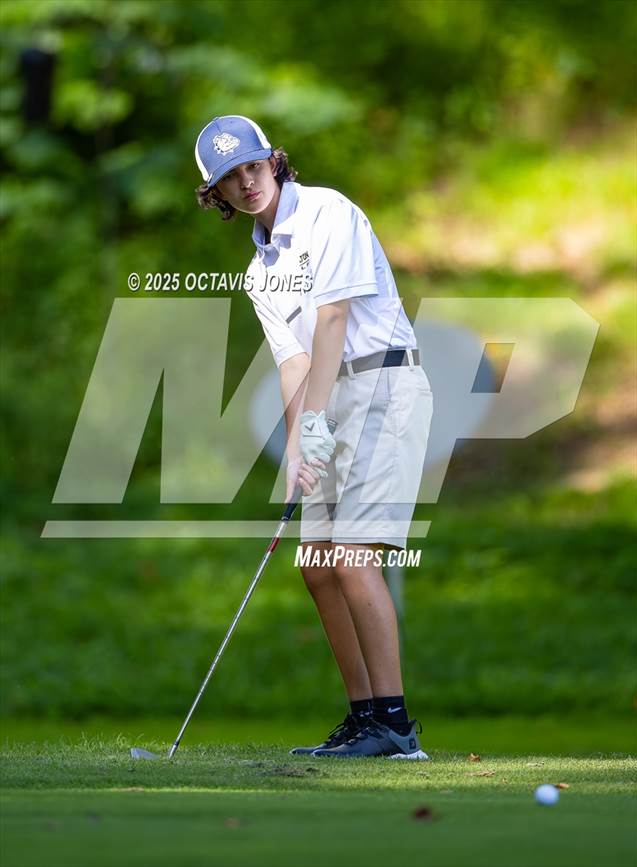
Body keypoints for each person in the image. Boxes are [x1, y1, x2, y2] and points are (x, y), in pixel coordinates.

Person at [195, 115, 433, 759]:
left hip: (383, 386)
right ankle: (363, 717)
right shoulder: (258, 272)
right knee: (317, 565)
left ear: (273, 160)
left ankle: (395, 726)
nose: (247, 183)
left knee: (353, 558)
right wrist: (298, 447)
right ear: (215, 194)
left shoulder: (330, 212)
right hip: (329, 397)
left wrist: (318, 420)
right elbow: (293, 363)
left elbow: (333, 319)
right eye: (230, 179)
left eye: (253, 166)